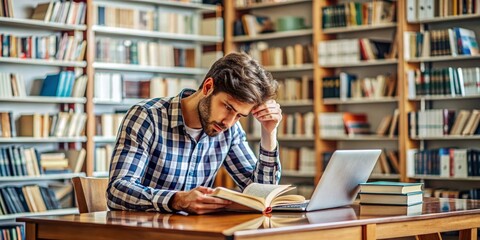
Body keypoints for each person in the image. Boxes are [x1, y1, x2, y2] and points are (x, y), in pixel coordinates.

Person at [107, 52, 283, 214]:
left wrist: (269, 132)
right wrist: (176, 200)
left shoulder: (229, 131)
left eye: (239, 115)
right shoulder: (147, 117)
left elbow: (261, 195)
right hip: (143, 232)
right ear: (208, 87)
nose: (229, 122)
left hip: (196, 232)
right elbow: (117, 190)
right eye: (228, 107)